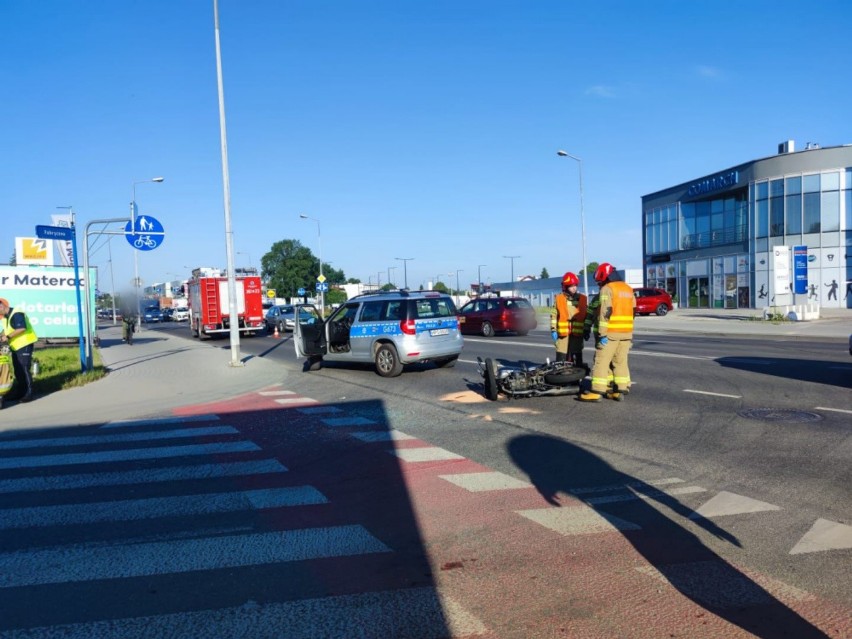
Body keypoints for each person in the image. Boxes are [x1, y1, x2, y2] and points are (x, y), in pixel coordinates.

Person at [579, 263, 635, 402]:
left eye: (599, 281)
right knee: (620, 361)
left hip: (610, 333)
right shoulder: (628, 289)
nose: (599, 285)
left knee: (601, 361)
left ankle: (597, 391)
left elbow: (605, 313)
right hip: (626, 333)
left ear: (604, 277)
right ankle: (620, 389)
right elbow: (633, 311)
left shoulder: (607, 289)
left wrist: (602, 334)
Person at [0, 297, 38, 403]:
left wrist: (7, 337)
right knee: (18, 370)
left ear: (1, 306)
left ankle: (29, 393)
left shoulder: (17, 313)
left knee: (25, 369)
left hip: (25, 344)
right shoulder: (5, 317)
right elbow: (6, 330)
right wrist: (1, 335)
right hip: (16, 346)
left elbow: (21, 328)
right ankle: (20, 392)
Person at [550, 272, 587, 368]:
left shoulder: (582, 299)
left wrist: (586, 329)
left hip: (577, 333)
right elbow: (554, 315)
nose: (574, 288)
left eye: (575, 285)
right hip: (563, 334)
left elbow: (587, 316)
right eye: (571, 286)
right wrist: (553, 329)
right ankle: (561, 376)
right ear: (565, 287)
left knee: (577, 356)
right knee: (561, 355)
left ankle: (576, 377)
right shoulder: (559, 299)